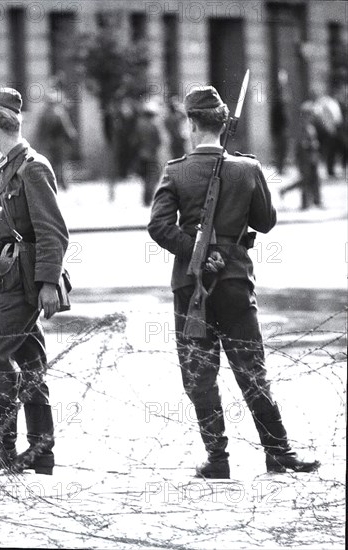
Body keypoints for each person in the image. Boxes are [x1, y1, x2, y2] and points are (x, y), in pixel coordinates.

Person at [148, 86, 320, 478]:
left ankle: (218, 459)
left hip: (191, 287)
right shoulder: (247, 168)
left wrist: (196, 248)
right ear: (223, 123)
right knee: (251, 370)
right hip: (236, 283)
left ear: (191, 124)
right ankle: (279, 453)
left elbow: (158, 226)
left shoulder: (175, 171)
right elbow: (265, 221)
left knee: (200, 373)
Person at [0, 87, 69, 475]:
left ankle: (2, 446)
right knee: (29, 362)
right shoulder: (9, 165)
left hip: (25, 284)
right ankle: (42, 450)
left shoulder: (33, 167)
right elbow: (15, 223)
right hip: (12, 277)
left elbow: (53, 232)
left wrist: (47, 284)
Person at [279, 101, 322, 210]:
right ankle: (302, 201)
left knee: (313, 178)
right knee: (305, 179)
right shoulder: (302, 127)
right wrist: (311, 144)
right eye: (310, 114)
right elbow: (301, 143)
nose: (312, 116)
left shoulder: (310, 127)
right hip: (305, 158)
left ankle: (315, 201)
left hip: (312, 157)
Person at [33, 86, 78, 190]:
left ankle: (52, 184)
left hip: (48, 143)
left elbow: (39, 131)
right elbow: (68, 130)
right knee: (62, 164)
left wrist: (40, 142)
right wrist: (72, 137)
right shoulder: (60, 113)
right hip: (60, 143)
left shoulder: (43, 114)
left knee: (51, 164)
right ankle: (64, 184)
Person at [133, 101, 162, 206]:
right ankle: (148, 199)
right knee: (152, 177)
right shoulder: (153, 126)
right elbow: (158, 141)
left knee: (145, 178)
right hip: (151, 155)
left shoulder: (139, 125)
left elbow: (134, 141)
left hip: (141, 154)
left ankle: (146, 198)